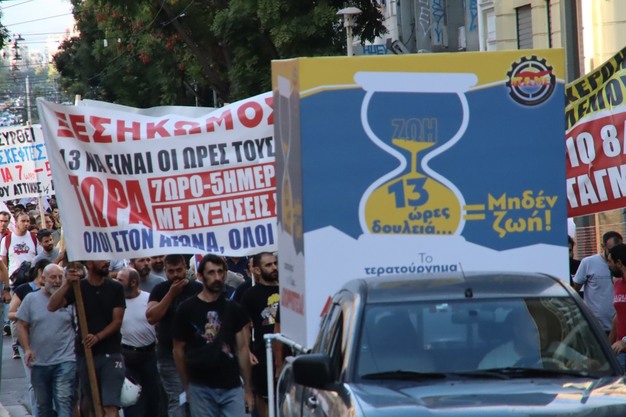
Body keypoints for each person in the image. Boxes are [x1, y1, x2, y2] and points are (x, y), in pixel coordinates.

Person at [172, 254, 254, 417]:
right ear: (200, 276)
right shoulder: (186, 309)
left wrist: (248, 390)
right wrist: (187, 386)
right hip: (200, 386)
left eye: (220, 272)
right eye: (211, 272)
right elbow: (178, 350)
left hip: (231, 385)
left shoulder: (234, 309)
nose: (217, 277)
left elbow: (243, 349)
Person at [48, 261, 126, 417]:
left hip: (111, 353)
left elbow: (117, 321)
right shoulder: (79, 287)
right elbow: (52, 306)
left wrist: (98, 337)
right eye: (101, 260)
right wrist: (67, 283)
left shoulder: (115, 288)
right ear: (89, 263)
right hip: (86, 353)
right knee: (92, 404)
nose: (106, 262)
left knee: (110, 405)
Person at [16, 264, 76, 417]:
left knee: (64, 400)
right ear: (43, 279)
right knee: (43, 406)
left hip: (65, 359)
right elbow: (22, 325)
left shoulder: (69, 299)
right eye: (53, 277)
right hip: (40, 362)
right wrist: (27, 348)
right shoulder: (31, 299)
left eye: (60, 277)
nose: (57, 281)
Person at [146, 254, 202, 417]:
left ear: (186, 268)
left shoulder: (198, 289)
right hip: (168, 355)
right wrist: (170, 294)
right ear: (165, 271)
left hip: (196, 354)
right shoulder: (160, 290)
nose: (176, 275)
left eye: (179, 270)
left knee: (199, 400)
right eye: (171, 271)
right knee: (178, 400)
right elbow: (151, 317)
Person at [116, 267, 160, 417]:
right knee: (130, 401)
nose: (116, 283)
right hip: (127, 358)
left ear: (133, 282)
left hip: (149, 356)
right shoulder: (116, 302)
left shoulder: (148, 299)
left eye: (120, 280)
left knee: (153, 399)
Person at [9, 259, 50, 416]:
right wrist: (27, 314)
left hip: (47, 341)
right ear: (40, 272)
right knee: (34, 381)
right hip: (28, 341)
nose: (55, 280)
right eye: (51, 275)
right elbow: (11, 313)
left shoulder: (54, 291)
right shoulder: (24, 289)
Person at [240, 252, 279, 417]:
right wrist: (247, 351)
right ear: (256, 269)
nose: (274, 267)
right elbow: (244, 327)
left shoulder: (287, 289)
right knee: (264, 395)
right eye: (268, 265)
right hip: (263, 352)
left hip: (289, 350)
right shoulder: (250, 295)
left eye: (275, 263)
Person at [2, 211, 39, 359]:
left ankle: (31, 342)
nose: (26, 224)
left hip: (31, 282)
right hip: (15, 283)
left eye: (28, 221)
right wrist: (6, 286)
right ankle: (16, 345)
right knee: (15, 314)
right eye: (23, 221)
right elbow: (3, 263)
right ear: (16, 222)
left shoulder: (34, 238)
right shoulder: (7, 240)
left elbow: (39, 259)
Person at [573, 231, 623, 334]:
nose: (614, 254)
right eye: (611, 250)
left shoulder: (621, 265)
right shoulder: (588, 263)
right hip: (594, 327)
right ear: (603, 247)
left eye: (618, 250)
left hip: (618, 327)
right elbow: (574, 289)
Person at [607, 243, 626, 371]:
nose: (608, 265)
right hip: (620, 352)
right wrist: (608, 344)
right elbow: (618, 315)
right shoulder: (617, 283)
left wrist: (624, 341)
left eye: (610, 262)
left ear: (619, 263)